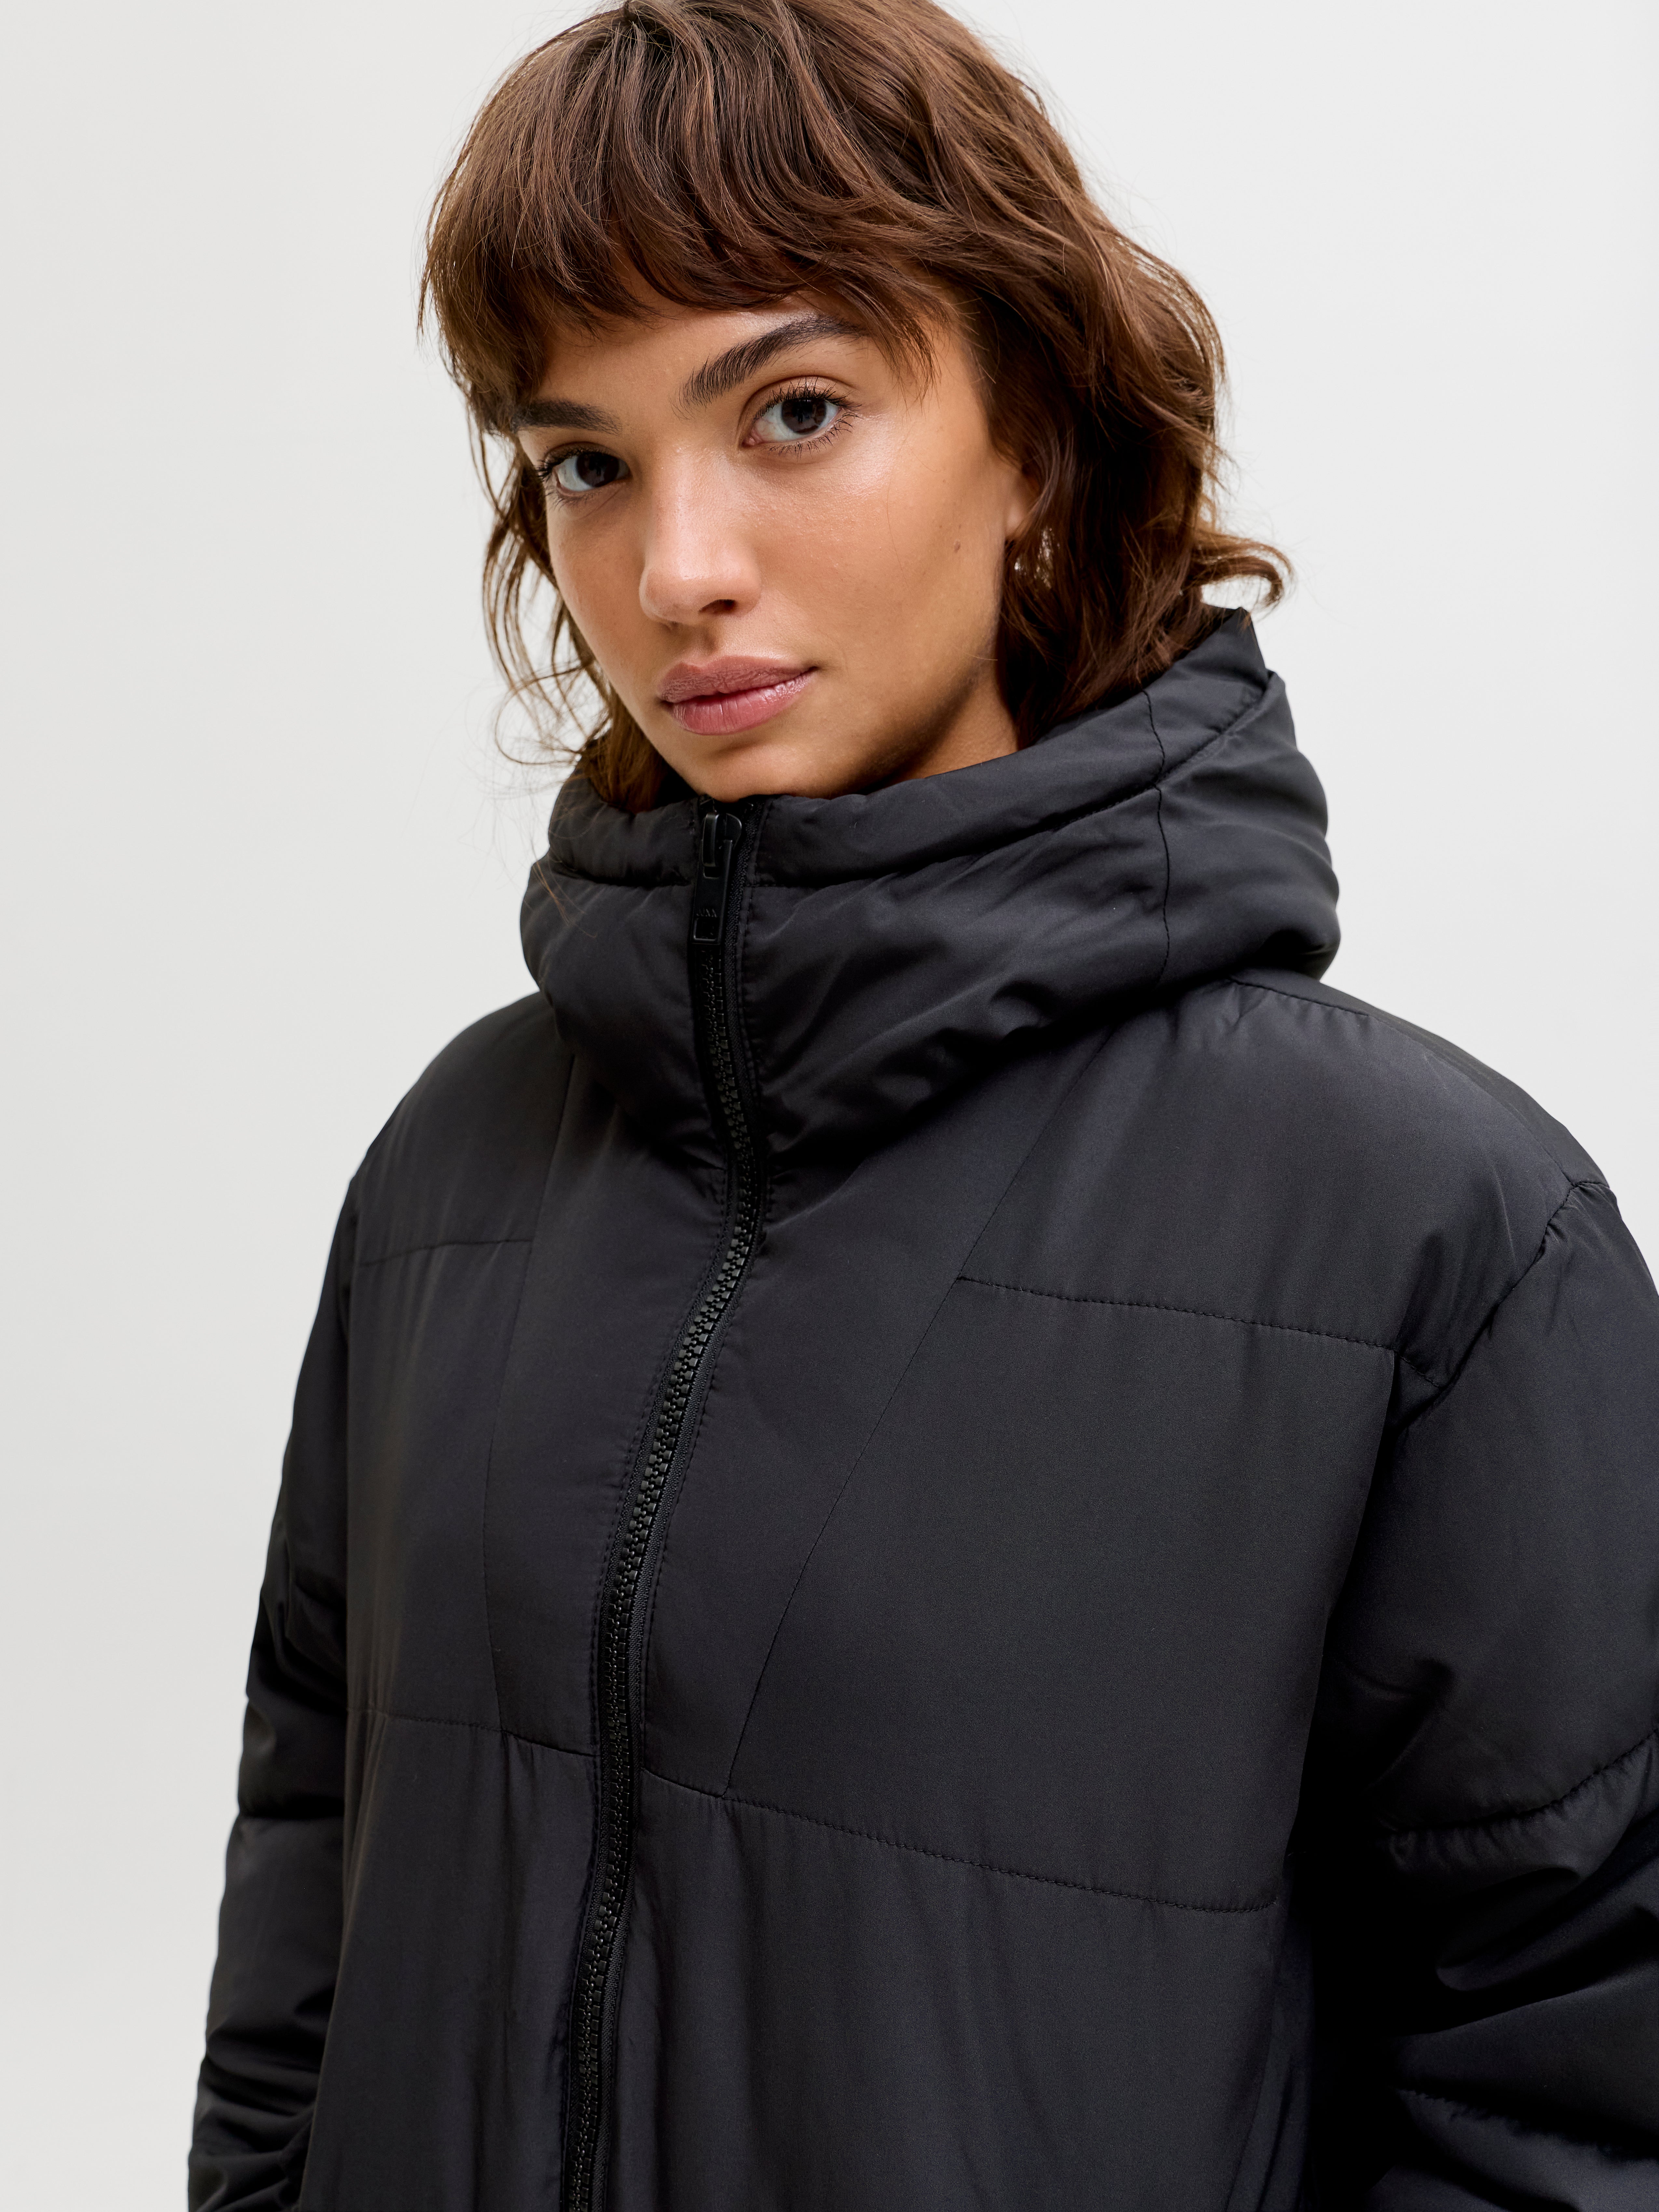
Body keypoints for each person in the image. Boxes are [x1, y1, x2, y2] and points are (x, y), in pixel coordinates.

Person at [188, 1, 1659, 2205]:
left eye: (792, 412)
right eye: (586, 462)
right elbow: (310, 1903)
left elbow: (1575, 2088)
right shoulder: (450, 1175)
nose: (675, 568)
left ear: (1037, 439)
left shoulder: (1433, 1236)